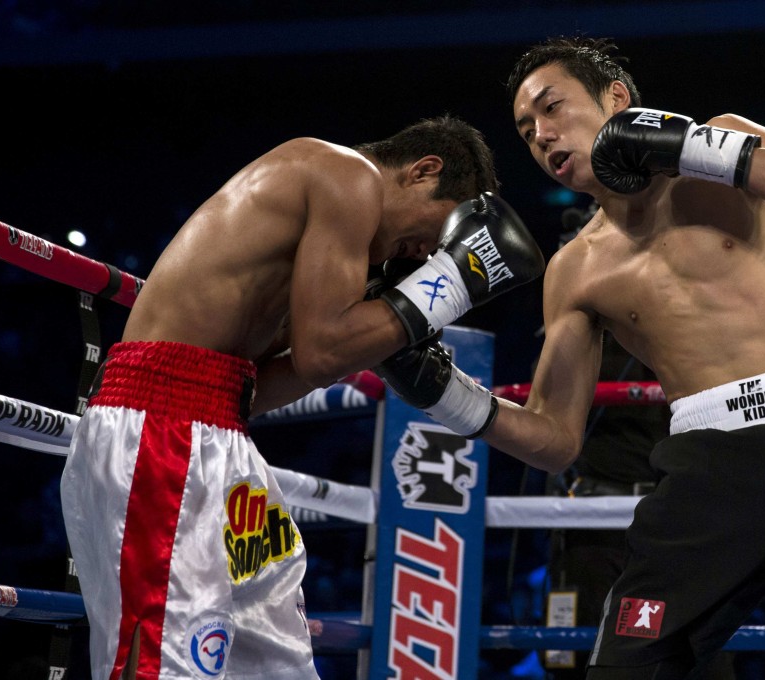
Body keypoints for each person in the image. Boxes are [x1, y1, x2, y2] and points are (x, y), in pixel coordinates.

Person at [372, 38, 765, 679]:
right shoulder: (574, 269)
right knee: (625, 667)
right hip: (704, 470)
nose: (543, 136)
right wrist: (442, 391)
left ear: (617, 99)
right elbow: (553, 437)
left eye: (552, 109)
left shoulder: (720, 144)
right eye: (526, 131)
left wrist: (685, 145)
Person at [59, 115, 544, 680]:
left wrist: (382, 332)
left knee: (275, 655)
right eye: (441, 233)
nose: (425, 254)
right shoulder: (348, 174)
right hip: (158, 426)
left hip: (217, 428)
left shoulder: (330, 264)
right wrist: (449, 283)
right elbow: (321, 353)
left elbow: (268, 384)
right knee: (165, 662)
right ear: (424, 171)